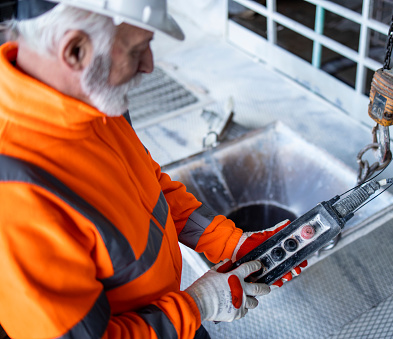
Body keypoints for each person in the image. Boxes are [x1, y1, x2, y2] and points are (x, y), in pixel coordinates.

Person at [0, 0, 306, 338]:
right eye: (136, 50)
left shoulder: (92, 98)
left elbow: (150, 189)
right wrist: (199, 304)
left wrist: (230, 243)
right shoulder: (14, 195)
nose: (149, 65)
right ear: (74, 50)